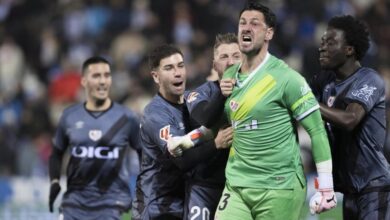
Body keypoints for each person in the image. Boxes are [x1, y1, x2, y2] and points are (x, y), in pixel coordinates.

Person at [214, 2, 336, 219]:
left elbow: (317, 130)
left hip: (279, 186)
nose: (246, 28)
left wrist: (325, 187)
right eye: (242, 23)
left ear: (269, 32)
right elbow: (220, 121)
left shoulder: (287, 78)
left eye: (254, 23)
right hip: (237, 184)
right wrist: (189, 140)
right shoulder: (229, 76)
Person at [131, 44, 231, 220]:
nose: (177, 73)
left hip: (184, 198)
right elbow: (182, 160)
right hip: (158, 204)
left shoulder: (192, 102)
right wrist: (216, 143)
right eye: (169, 68)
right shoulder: (156, 113)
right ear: (156, 76)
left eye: (181, 65)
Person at [313, 15, 390, 219]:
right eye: (322, 42)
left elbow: (350, 120)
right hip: (350, 189)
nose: (322, 48)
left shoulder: (369, 79)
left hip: (374, 186)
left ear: (349, 49)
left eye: (330, 43)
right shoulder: (325, 83)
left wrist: (306, 103)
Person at [48, 56, 140, 220]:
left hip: (114, 205)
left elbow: (145, 154)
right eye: (96, 76)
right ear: (83, 81)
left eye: (107, 75)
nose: (103, 81)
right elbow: (56, 153)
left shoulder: (126, 118)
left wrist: (144, 190)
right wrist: (54, 181)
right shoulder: (69, 116)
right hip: (74, 205)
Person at [181, 33, 240, 220]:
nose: (230, 62)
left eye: (236, 56)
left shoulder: (258, 93)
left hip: (242, 186)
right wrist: (222, 94)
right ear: (215, 66)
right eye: (224, 57)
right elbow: (202, 118)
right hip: (205, 185)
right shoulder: (200, 93)